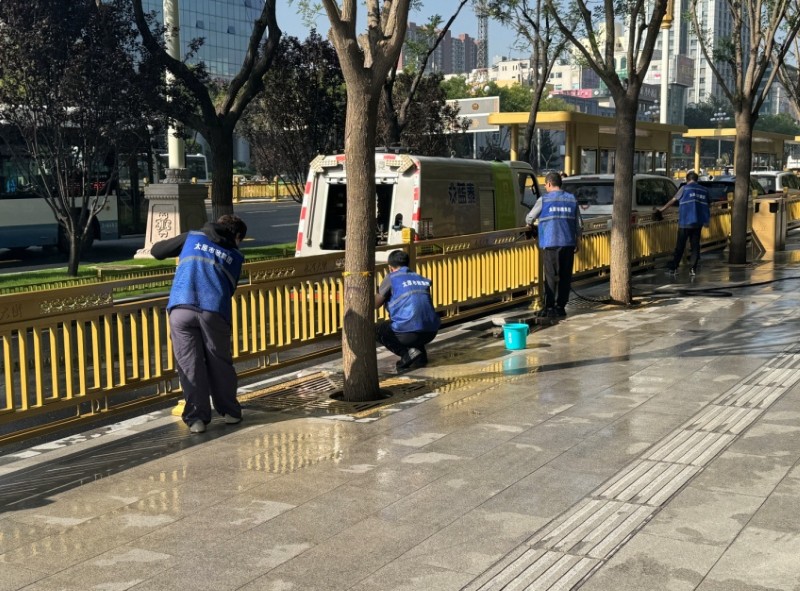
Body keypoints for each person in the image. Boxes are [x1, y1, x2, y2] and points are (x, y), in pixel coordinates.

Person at [151, 215, 248, 434]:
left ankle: (196, 419)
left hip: (180, 307)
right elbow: (229, 289)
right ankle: (230, 412)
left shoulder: (192, 237)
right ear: (237, 236)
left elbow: (157, 251)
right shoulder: (235, 255)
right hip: (213, 310)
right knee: (219, 362)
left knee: (189, 364)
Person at [525, 171, 582, 318]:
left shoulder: (544, 199)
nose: (545, 187)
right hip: (568, 243)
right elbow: (578, 224)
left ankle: (549, 307)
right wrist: (578, 240)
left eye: (545, 185)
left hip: (550, 243)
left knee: (550, 276)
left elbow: (529, 218)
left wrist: (531, 225)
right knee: (565, 276)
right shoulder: (571, 199)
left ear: (549, 183)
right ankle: (560, 307)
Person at [375, 250, 440, 371]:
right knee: (416, 322)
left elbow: (376, 304)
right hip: (431, 331)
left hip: (407, 332)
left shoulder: (391, 277)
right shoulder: (420, 277)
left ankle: (406, 354)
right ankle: (420, 357)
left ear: (390, 267)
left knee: (376, 330)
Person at [657, 171, 711, 275]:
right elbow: (708, 205)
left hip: (685, 222)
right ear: (696, 179)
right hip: (698, 223)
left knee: (680, 246)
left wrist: (661, 210)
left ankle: (673, 268)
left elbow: (673, 201)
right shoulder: (704, 190)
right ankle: (692, 269)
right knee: (695, 246)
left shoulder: (684, 188)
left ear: (687, 179)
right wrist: (706, 220)